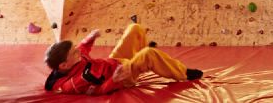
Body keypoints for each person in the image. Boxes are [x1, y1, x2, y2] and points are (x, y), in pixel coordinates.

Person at [43, 24, 203, 95]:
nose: (78, 51)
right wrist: (115, 79)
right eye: (74, 52)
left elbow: (83, 47)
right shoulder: (73, 84)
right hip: (122, 76)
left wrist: (90, 38)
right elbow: (96, 91)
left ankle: (142, 58)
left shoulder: (74, 58)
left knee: (135, 29)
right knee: (149, 53)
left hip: (115, 62)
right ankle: (183, 72)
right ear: (64, 65)